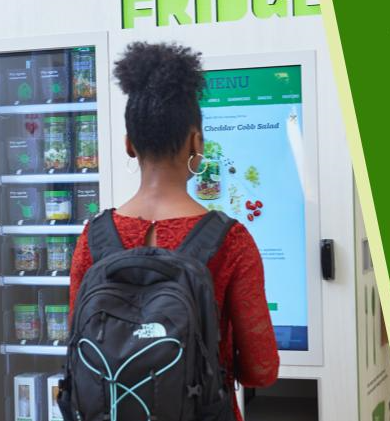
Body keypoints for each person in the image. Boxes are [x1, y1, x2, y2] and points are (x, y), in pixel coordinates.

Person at [69, 41, 279, 421]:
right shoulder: (231, 241)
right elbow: (261, 370)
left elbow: (78, 346)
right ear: (197, 143)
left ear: (130, 145)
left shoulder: (93, 237)